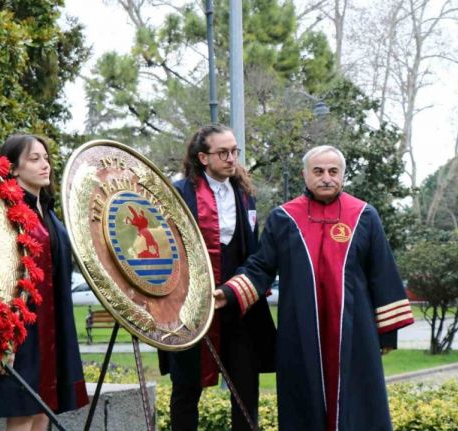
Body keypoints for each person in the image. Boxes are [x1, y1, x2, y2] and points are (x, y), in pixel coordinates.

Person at [216, 145, 415, 431]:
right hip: (300, 333)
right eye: (318, 171)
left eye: (333, 172)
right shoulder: (284, 219)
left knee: (359, 407)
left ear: (343, 175)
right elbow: (260, 267)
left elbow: (382, 275)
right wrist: (230, 292)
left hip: (355, 334)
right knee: (302, 407)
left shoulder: (364, 215)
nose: (326, 178)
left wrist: (387, 334)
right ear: (304, 175)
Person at [158, 124, 276, 430]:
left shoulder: (245, 193)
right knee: (186, 388)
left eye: (235, 151)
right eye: (223, 152)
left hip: (238, 304)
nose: (231, 158)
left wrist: (234, 289)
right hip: (191, 308)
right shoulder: (179, 192)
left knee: (245, 387)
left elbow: (252, 249)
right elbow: (164, 250)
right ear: (203, 157)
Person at [0, 134, 89, 431]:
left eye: (46, 158)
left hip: (52, 323)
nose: (45, 165)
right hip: (19, 326)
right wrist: (3, 334)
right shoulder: (5, 214)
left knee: (44, 407)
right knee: (22, 410)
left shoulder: (47, 213)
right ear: (13, 169)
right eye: (34, 159)